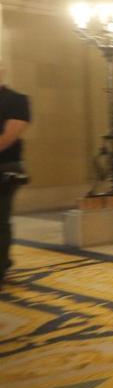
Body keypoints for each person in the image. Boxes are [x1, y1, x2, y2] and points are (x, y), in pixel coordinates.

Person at [0, 63, 31, 288]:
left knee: (0, 219)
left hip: (5, 167)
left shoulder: (16, 100)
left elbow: (9, 136)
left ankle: (1, 268)